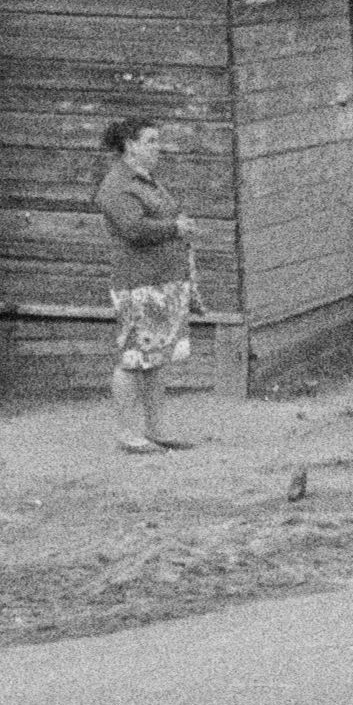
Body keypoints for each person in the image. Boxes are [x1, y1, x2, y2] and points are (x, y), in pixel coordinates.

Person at [93, 116, 198, 453]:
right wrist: (175, 228)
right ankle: (127, 433)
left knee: (157, 356)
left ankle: (156, 429)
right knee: (133, 356)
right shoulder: (116, 186)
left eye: (157, 140)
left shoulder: (147, 181)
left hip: (162, 281)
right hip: (138, 284)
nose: (158, 147)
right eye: (151, 140)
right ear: (130, 145)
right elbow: (133, 230)